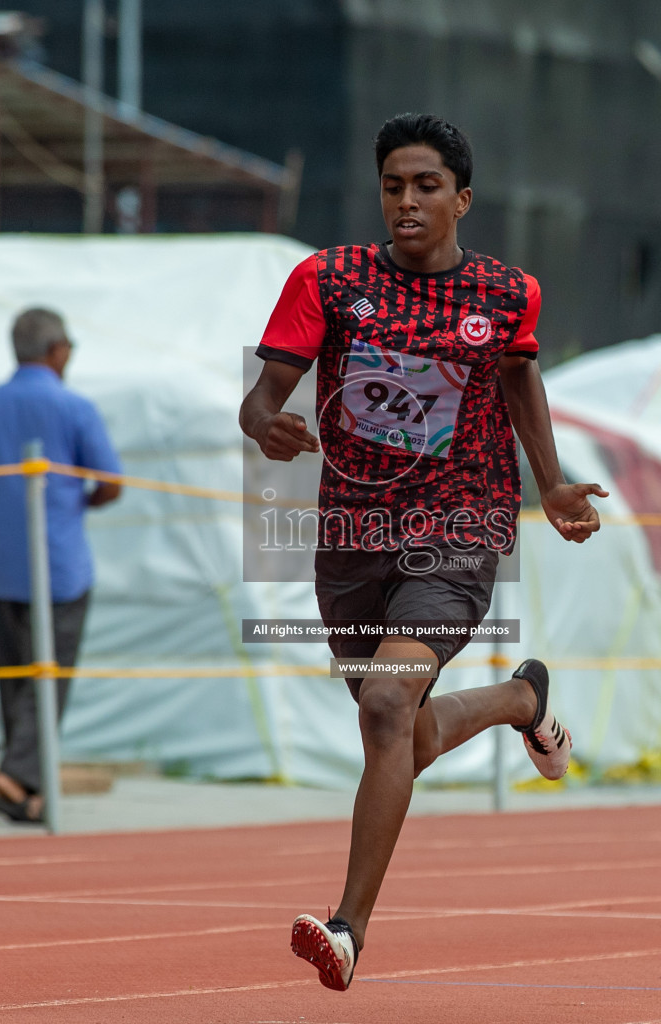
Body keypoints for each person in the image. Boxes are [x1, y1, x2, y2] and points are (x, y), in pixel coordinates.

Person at [240, 112, 606, 991]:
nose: (407, 202)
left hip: (459, 524)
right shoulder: (328, 280)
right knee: (395, 722)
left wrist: (548, 481)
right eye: (393, 186)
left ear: (462, 199)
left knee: (384, 709)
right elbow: (264, 396)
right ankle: (523, 698)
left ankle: (348, 930)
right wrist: (263, 424)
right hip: (354, 534)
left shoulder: (507, 293)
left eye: (426, 186)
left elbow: (519, 374)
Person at [0, 307, 123, 824]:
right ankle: (16, 775)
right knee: (49, 677)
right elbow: (111, 483)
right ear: (57, 350)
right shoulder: (75, 408)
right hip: (60, 566)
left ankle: (25, 790)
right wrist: (76, 503)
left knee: (15, 675)